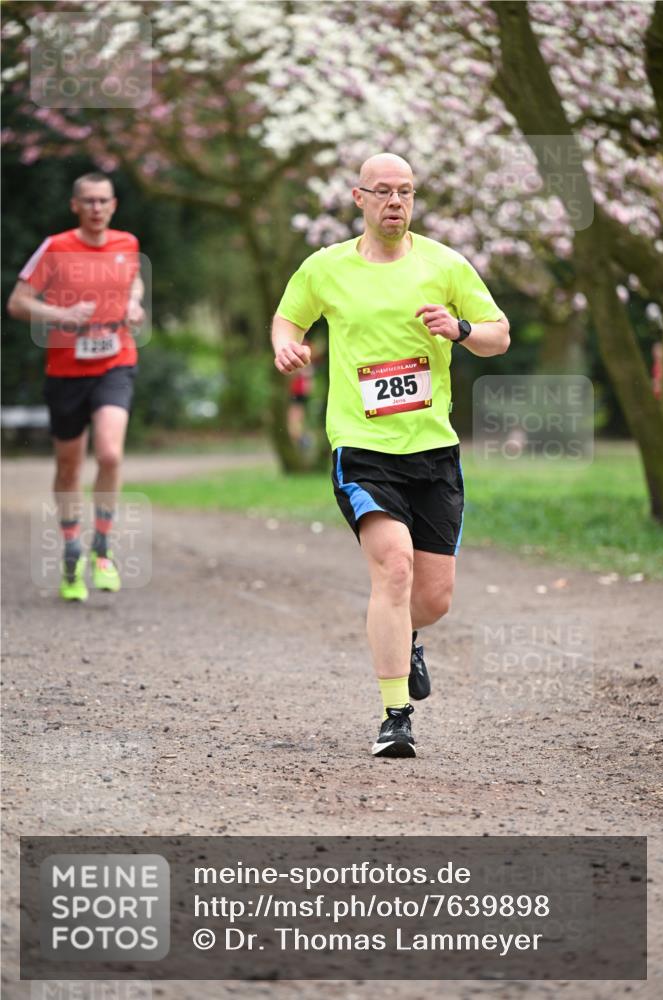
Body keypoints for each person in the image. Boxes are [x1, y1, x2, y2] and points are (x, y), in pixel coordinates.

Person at [272, 153, 509, 758]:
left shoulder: (445, 263)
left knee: (432, 599)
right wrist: (287, 347)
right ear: (359, 198)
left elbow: (497, 333)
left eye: (405, 191)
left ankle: (407, 639)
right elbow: (288, 319)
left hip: (434, 451)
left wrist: (457, 328)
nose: (396, 202)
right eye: (383, 191)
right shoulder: (326, 267)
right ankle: (394, 716)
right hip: (363, 447)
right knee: (394, 569)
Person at [8, 172, 144, 602]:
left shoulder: (127, 244)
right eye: (88, 201)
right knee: (68, 468)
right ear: (75, 206)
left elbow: (133, 280)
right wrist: (60, 316)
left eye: (103, 201)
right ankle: (71, 550)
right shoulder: (56, 247)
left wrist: (135, 302)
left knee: (109, 452)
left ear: (114, 204)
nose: (96, 208)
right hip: (66, 371)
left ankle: (101, 548)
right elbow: (17, 302)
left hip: (115, 364)